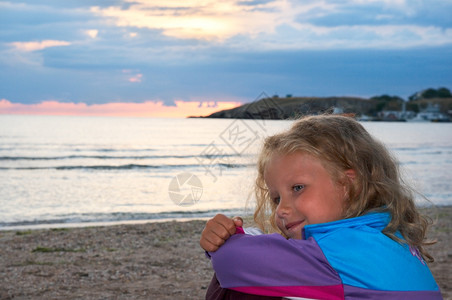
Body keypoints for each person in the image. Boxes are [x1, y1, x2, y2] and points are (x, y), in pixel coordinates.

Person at [200, 114, 442, 299]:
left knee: (240, 286)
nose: (281, 210)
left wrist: (227, 239)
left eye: (297, 188)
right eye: (276, 199)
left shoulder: (337, 252)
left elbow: (231, 261)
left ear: (348, 183)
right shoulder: (386, 234)